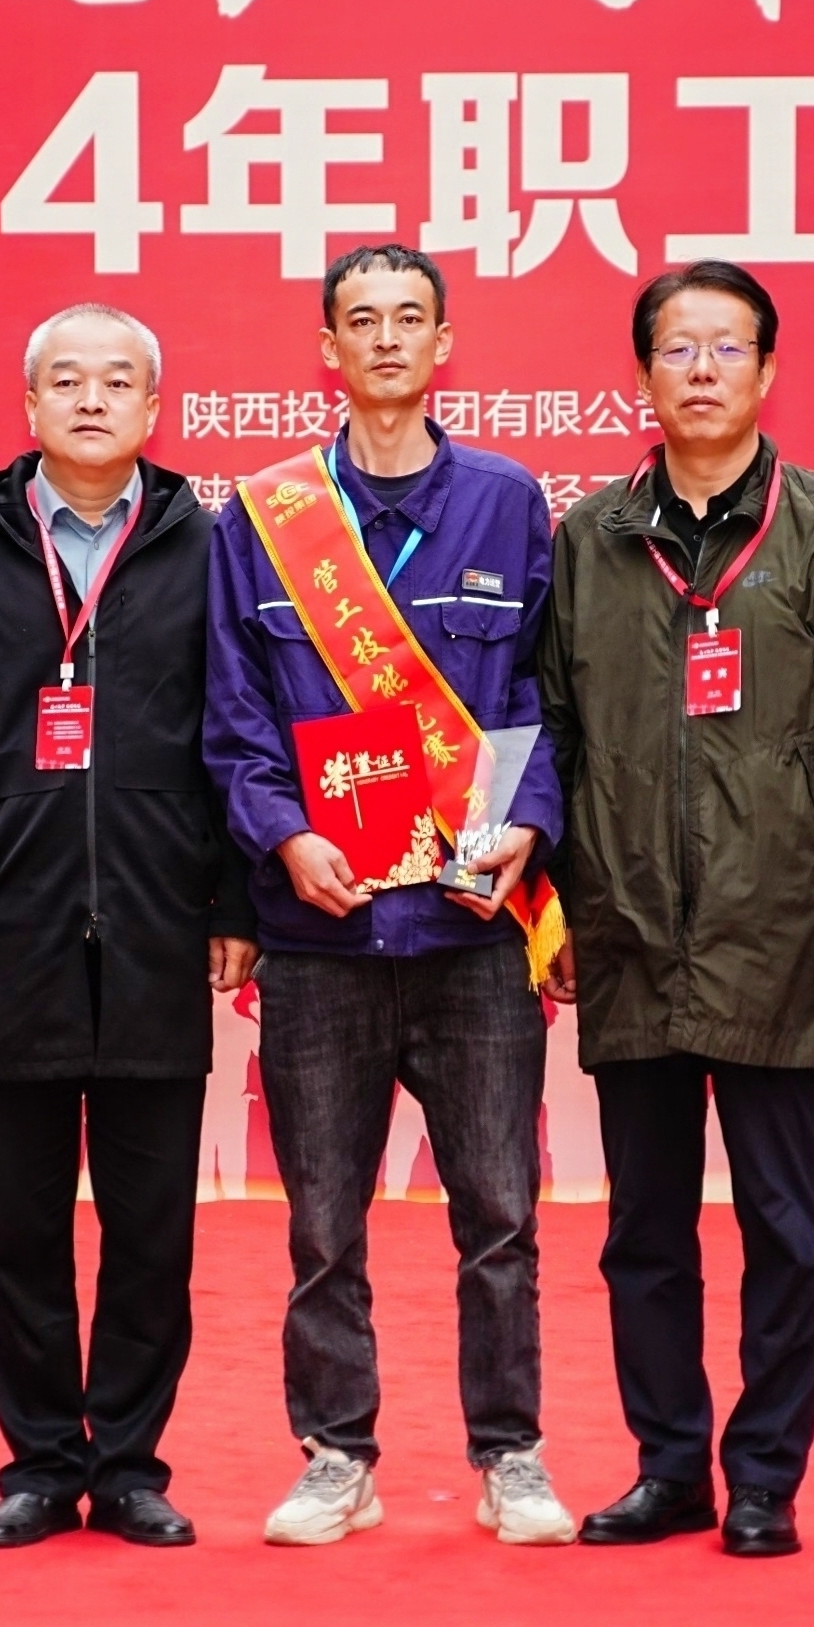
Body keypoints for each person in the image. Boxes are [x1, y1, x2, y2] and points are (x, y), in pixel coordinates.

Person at [203, 245, 577, 1548]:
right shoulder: (260, 519)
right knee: (322, 1225)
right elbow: (234, 720)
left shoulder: (508, 504)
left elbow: (542, 697)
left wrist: (527, 825)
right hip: (322, 933)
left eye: (407, 317)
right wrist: (284, 839)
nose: (383, 339)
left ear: (442, 341)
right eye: (359, 320)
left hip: (471, 934)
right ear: (327, 347)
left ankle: (510, 1454)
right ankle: (335, 1455)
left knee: (500, 1218)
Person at [538, 260, 814, 1559]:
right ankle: (667, 1469)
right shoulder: (590, 537)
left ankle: (763, 1478)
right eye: (676, 348)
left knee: (782, 1226)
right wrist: (559, 909)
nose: (700, 370)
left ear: (767, 370)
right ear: (641, 374)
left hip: (779, 931)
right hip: (629, 929)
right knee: (641, 1231)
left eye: (725, 347)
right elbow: (554, 737)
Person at [0, 303, 257, 1550]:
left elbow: (239, 737)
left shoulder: (211, 548)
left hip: (158, 927)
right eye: (65, 380)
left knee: (152, 1234)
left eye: (115, 382)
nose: (90, 400)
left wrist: (234, 899)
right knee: (20, 1233)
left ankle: (132, 1465)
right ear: (28, 406)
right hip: (11, 928)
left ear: (153, 409)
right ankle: (42, 1465)